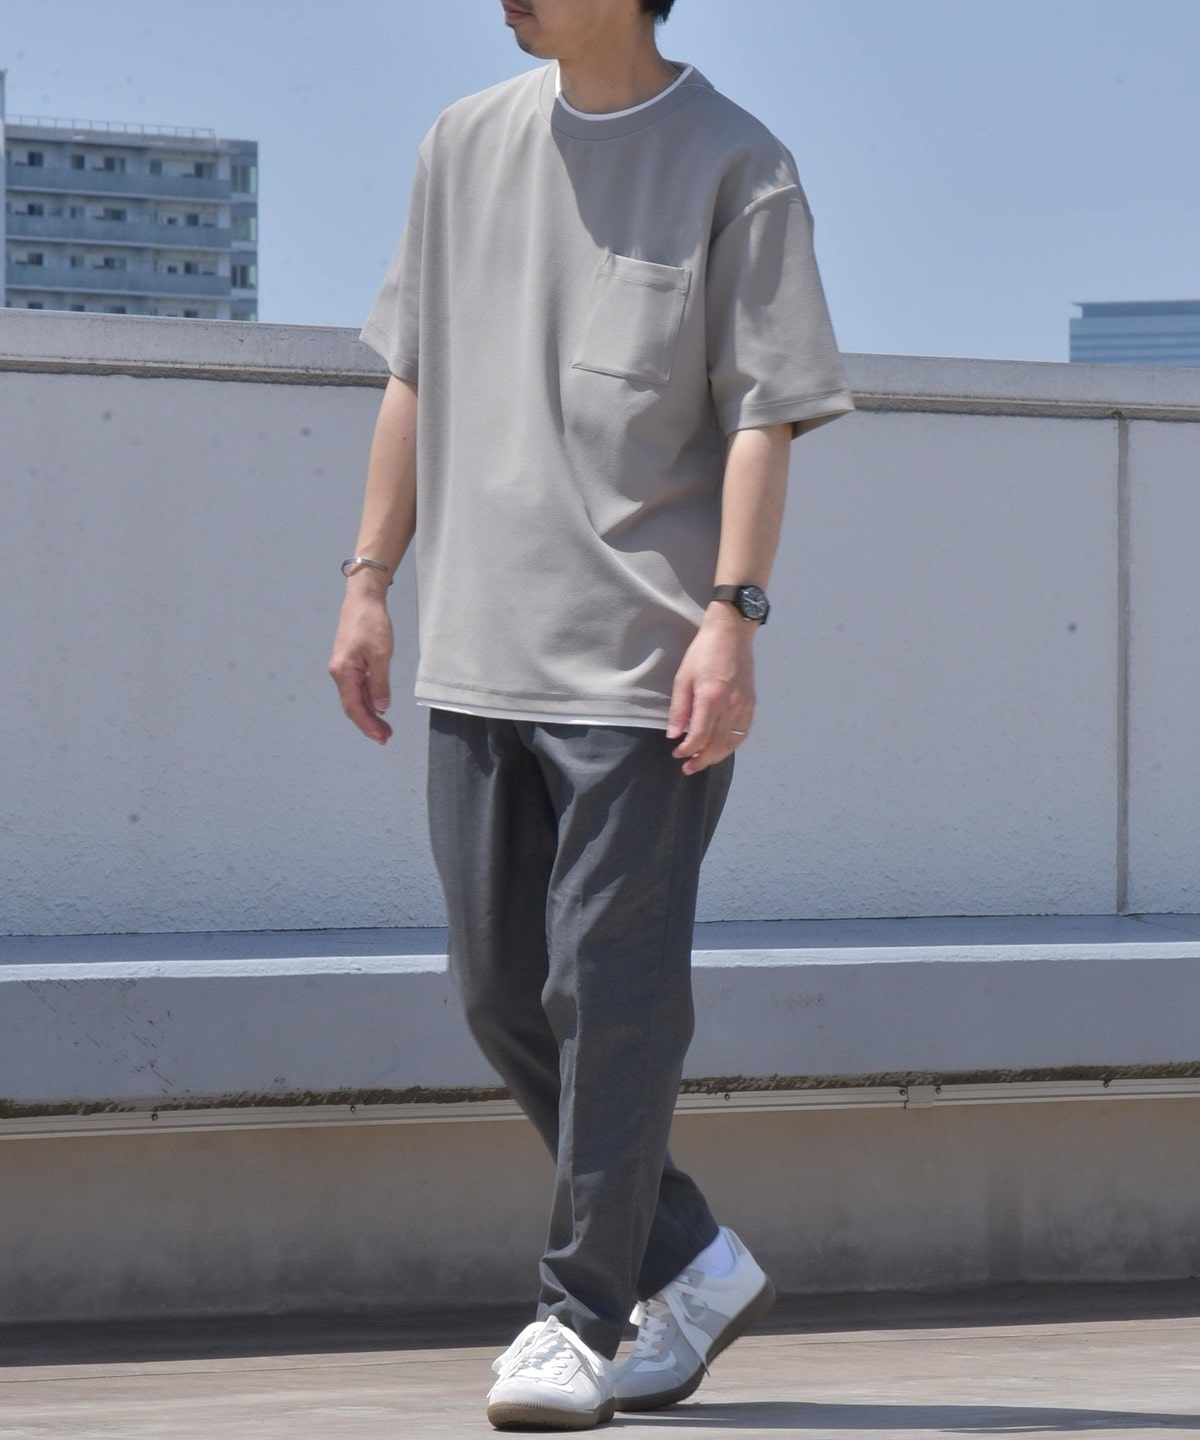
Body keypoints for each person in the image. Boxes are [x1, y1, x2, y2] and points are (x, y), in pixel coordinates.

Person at [329, 0, 853, 1428]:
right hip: (478, 651)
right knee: (503, 993)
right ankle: (696, 1261)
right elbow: (412, 374)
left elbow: (764, 415)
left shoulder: (738, 163)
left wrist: (732, 619)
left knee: (609, 995)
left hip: (642, 668)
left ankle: (577, 1314)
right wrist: (369, 580)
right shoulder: (460, 145)